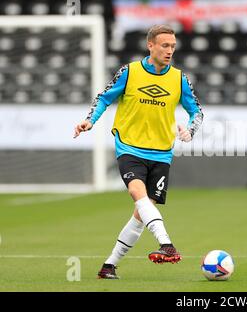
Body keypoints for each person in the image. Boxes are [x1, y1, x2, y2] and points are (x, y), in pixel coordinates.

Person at [73, 24, 203, 279]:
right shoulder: (129, 72)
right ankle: (167, 244)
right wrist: (90, 121)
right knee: (138, 195)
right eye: (165, 45)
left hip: (162, 153)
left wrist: (190, 130)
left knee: (141, 213)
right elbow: (104, 97)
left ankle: (109, 265)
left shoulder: (179, 79)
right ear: (150, 45)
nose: (169, 51)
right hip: (129, 147)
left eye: (173, 47)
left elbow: (196, 111)